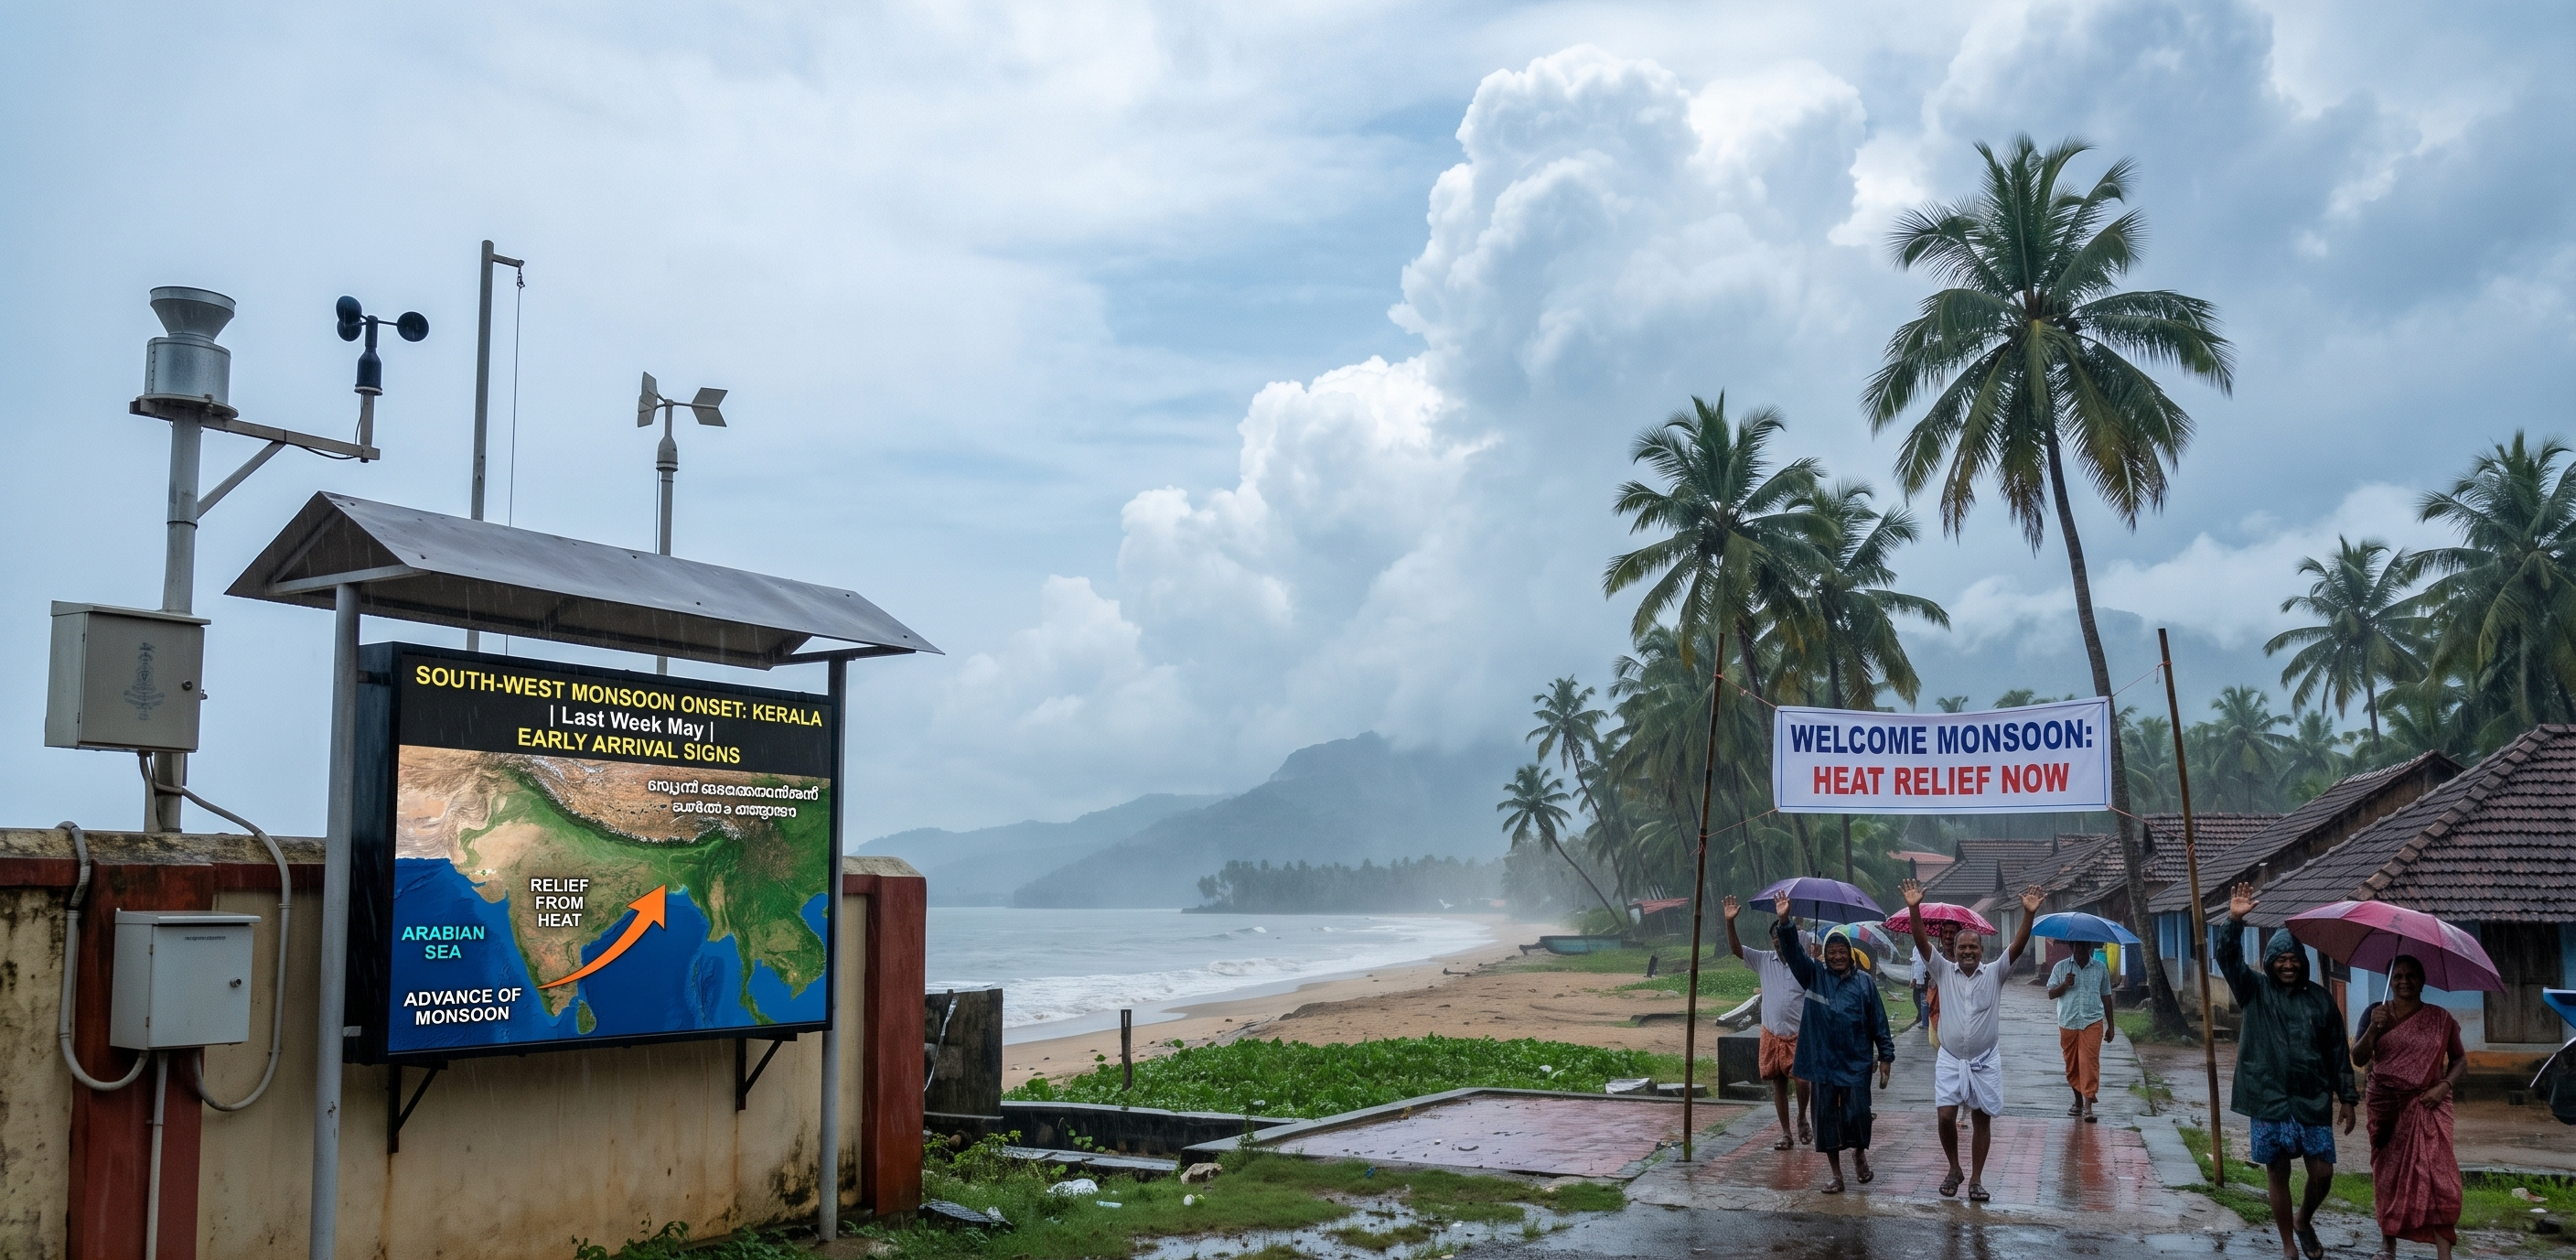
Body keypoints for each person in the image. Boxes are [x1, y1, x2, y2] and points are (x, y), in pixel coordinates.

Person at [2219, 881, 2360, 1260]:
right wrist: (2234, 921)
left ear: (2303, 961)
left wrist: (2347, 1098)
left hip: (2311, 1098)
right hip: (2267, 1098)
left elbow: (2336, 1052)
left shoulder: (2320, 1000)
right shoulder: (2253, 990)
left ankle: (2303, 1220)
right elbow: (2227, 957)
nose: (2287, 964)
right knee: (2277, 1172)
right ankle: (2287, 1245)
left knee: (2323, 1173)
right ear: (2269, 962)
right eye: (2280, 959)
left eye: (2293, 959)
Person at [1900, 878, 2041, 1202]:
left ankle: (1976, 1179)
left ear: (1981, 951)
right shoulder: (1942, 970)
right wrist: (1914, 908)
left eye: (1972, 947)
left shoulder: (1995, 973)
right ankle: (1954, 1168)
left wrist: (2028, 915)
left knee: (1981, 1119)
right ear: (1956, 950)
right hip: (1949, 1058)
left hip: (1985, 1060)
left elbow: (2017, 947)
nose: (1966, 951)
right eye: (1962, 947)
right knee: (1945, 1116)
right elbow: (1923, 945)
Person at [1768, 887, 1894, 1194]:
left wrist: (1886, 1057)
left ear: (1850, 954)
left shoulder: (1864, 983)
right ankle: (1836, 1175)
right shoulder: (1814, 976)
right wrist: (1785, 922)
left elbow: (1879, 1022)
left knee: (1858, 1116)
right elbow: (1795, 955)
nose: (1837, 956)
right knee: (1827, 1122)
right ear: (1824, 955)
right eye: (1831, 951)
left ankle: (1860, 1155)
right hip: (1823, 1064)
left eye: (1842, 951)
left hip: (1856, 1063)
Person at [2351, 954, 2467, 1259]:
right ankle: (2387, 1244)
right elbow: (2359, 1058)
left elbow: (2460, 1060)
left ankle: (2445, 1254)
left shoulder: (2441, 1019)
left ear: (2423, 980)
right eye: (2398, 976)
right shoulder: (2374, 1014)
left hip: (2430, 1105)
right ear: (2390, 980)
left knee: (2441, 1178)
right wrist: (2374, 1030)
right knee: (2388, 1175)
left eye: (2411, 975)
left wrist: (2444, 1086)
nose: (2404, 981)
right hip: (2386, 1107)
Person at [1723, 895, 1812, 1148]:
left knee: (1803, 1080)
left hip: (1799, 1033)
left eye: (1782, 937)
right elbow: (1737, 950)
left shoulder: (1804, 962)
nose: (1778, 942)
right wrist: (1730, 922)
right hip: (1772, 1032)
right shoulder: (1763, 960)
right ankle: (1786, 1133)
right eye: (1774, 938)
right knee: (1778, 1083)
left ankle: (1802, 1117)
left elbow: (1801, 933)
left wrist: (1790, 920)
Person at [2047, 941, 2119, 1122]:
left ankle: (2088, 1107)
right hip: (2068, 1021)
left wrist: (2111, 1025)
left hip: (2092, 1021)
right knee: (2072, 1065)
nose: (2080, 949)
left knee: (2089, 1062)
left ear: (2089, 947)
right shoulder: (2061, 967)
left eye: (2083, 946)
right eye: (2076, 946)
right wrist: (2064, 984)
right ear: (2072, 947)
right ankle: (2078, 1101)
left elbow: (2106, 996)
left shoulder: (2100, 968)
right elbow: (2051, 993)